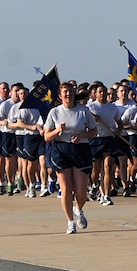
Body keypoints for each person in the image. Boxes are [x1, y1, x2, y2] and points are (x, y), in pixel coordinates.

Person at [41, 84, 96, 233]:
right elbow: (46, 136)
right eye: (65, 92)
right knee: (66, 188)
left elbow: (94, 132)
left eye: (70, 92)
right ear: (60, 95)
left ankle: (79, 209)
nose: (68, 95)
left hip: (80, 149)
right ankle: (70, 222)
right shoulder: (54, 112)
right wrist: (58, 130)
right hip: (61, 150)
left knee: (81, 190)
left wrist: (81, 135)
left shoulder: (84, 111)